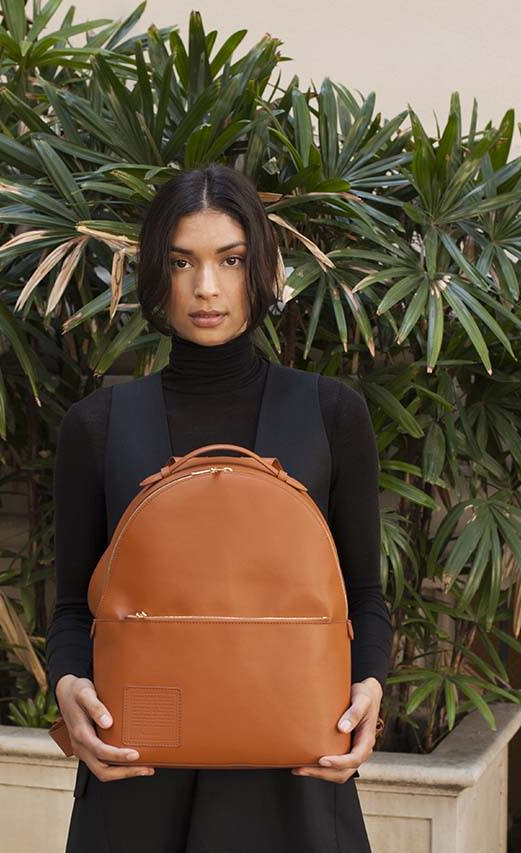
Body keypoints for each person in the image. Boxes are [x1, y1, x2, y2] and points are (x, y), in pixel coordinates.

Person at [46, 163, 393, 852]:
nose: (206, 287)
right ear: (155, 274)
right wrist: (66, 684)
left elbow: (364, 597)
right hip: (140, 776)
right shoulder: (99, 424)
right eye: (181, 262)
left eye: (230, 260)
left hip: (293, 781)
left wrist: (370, 687)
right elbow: (71, 609)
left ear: (260, 268)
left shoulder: (331, 414)